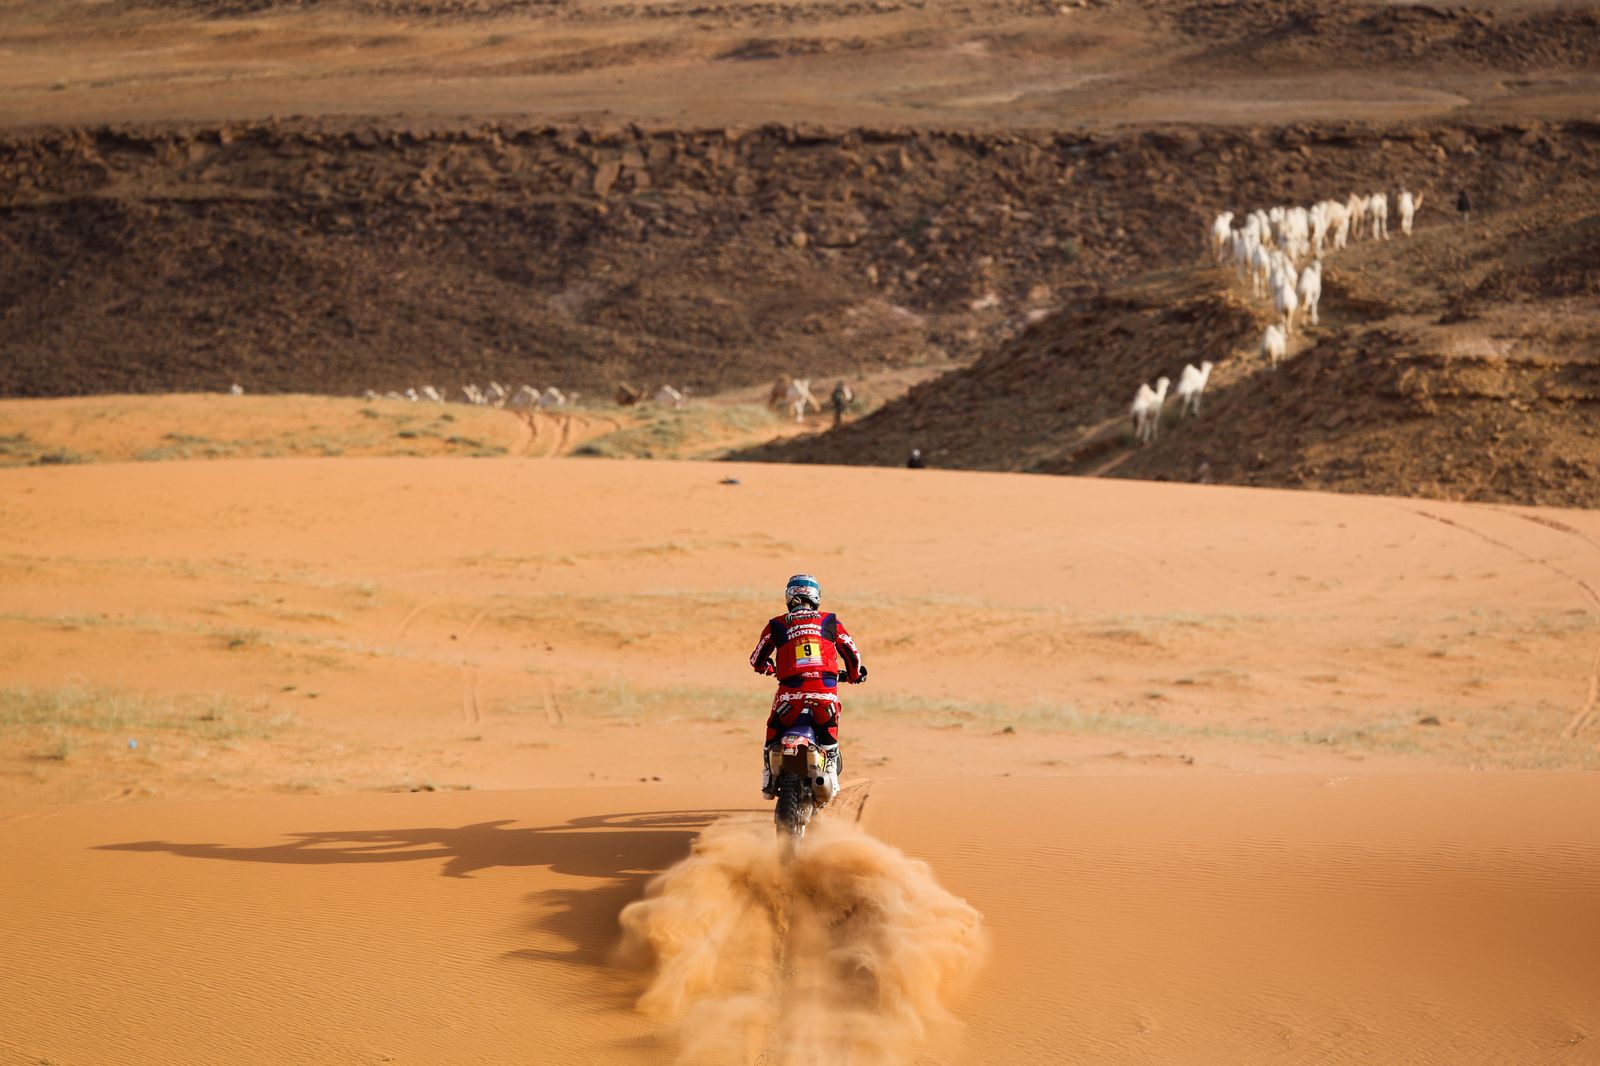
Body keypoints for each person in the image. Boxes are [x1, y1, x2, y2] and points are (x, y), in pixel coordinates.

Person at [749, 574, 866, 798]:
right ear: (816, 597)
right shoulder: (829, 621)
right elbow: (852, 652)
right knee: (829, 731)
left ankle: (769, 775)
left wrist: (768, 668)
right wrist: (853, 675)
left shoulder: (777, 624)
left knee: (774, 728)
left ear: (788, 597)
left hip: (789, 697)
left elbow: (756, 660)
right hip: (824, 694)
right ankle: (830, 768)